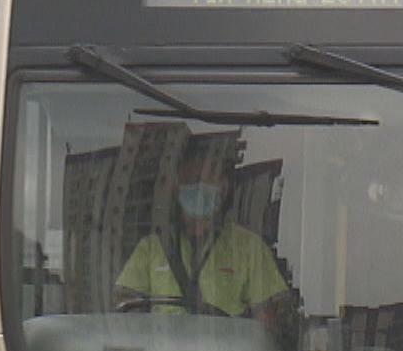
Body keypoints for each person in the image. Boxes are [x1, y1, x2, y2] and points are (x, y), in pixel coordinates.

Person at [114, 139, 289, 326]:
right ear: (176, 185)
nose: (199, 188)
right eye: (192, 181)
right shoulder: (150, 248)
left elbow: (266, 326)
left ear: (223, 186)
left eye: (207, 181)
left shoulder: (251, 248)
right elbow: (125, 315)